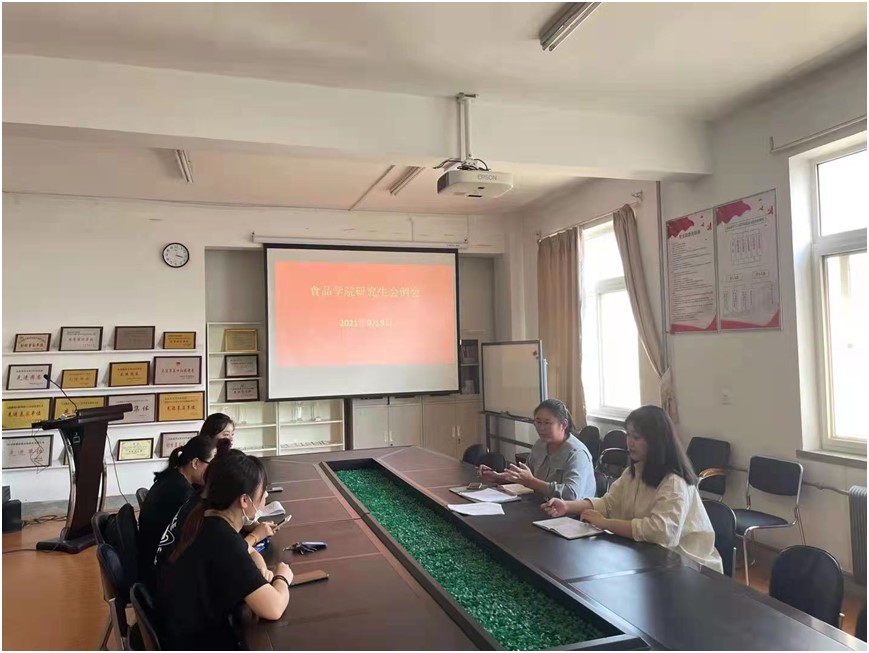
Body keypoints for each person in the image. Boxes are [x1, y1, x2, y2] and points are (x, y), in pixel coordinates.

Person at [541, 405, 723, 573]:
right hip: (651, 557)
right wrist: (567, 506)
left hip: (690, 567)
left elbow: (661, 532)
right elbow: (608, 503)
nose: (630, 443)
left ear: (656, 441)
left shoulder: (674, 481)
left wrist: (605, 523)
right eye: (628, 435)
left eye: (637, 437)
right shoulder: (634, 471)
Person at [156, 448, 292, 650]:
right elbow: (273, 608)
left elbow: (247, 551)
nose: (265, 496)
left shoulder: (202, 512)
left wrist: (259, 569)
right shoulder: (223, 540)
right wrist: (282, 577)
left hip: (173, 625)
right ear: (244, 500)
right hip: (196, 641)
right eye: (263, 491)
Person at [137, 435, 218, 588]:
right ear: (195, 463)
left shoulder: (172, 478)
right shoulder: (181, 493)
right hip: (160, 574)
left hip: (152, 562)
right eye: (212, 465)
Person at [478, 399, 595, 500]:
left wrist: (532, 482)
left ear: (563, 425)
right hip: (542, 505)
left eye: (547, 423)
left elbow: (571, 495)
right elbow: (524, 475)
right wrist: (499, 477)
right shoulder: (540, 444)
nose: (541, 428)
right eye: (538, 422)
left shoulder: (577, 453)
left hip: (571, 515)